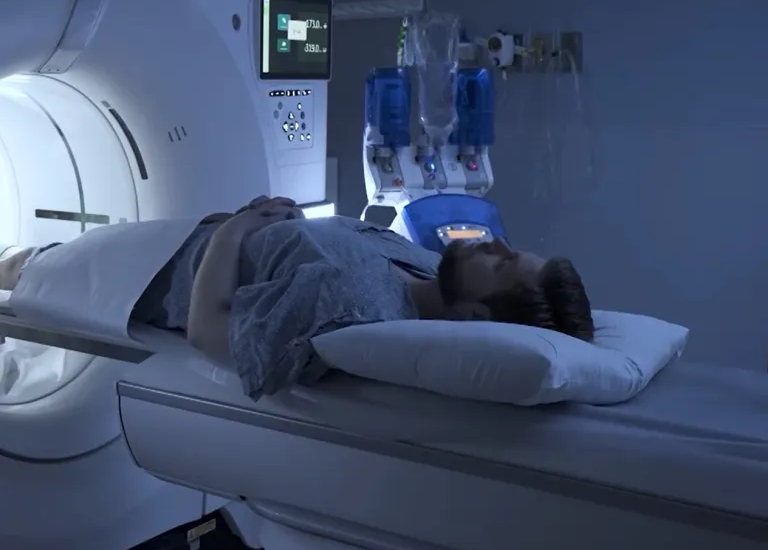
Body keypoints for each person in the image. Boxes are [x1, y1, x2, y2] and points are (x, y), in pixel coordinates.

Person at [0, 196, 594, 396]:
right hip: (179, 238)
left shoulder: (359, 312)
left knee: (25, 269)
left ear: (473, 316)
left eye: (504, 263)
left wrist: (235, 230)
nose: (492, 243)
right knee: (23, 260)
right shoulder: (417, 262)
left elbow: (211, 335)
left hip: (142, 275)